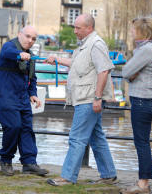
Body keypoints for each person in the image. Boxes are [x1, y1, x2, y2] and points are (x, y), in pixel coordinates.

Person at [45, 14, 117, 186]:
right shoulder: (86, 45)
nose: (75, 31)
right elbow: (78, 64)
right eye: (75, 27)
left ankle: (68, 177)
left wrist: (98, 98)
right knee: (96, 136)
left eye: (78, 28)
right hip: (85, 98)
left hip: (88, 99)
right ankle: (108, 174)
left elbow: (104, 71)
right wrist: (57, 60)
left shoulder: (96, 44)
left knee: (76, 137)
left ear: (89, 28)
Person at [0, 26, 49, 176]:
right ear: (19, 34)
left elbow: (32, 78)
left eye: (33, 39)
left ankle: (29, 162)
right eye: (28, 36)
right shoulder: (9, 47)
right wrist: (20, 54)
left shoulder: (30, 56)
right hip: (6, 95)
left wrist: (33, 94)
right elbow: (9, 53)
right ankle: (5, 160)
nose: (30, 41)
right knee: (13, 127)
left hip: (23, 97)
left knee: (26, 129)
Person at [121, 17, 152, 194]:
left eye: (133, 29)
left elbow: (125, 72)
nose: (131, 32)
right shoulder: (148, 49)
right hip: (147, 99)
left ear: (142, 32)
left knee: (141, 143)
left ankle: (143, 185)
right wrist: (133, 73)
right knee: (143, 142)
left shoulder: (146, 50)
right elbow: (131, 73)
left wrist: (132, 73)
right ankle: (144, 181)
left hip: (143, 100)